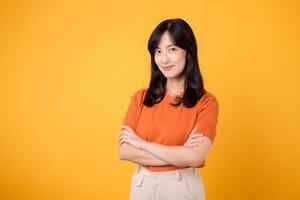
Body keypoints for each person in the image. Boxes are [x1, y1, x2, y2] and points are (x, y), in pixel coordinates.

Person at [118, 18, 219, 200]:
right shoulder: (140, 98)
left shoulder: (206, 103)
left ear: (188, 51)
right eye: (158, 51)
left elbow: (195, 157)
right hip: (143, 186)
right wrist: (181, 153)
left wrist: (142, 145)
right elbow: (125, 151)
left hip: (182, 187)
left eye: (172, 49)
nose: (163, 59)